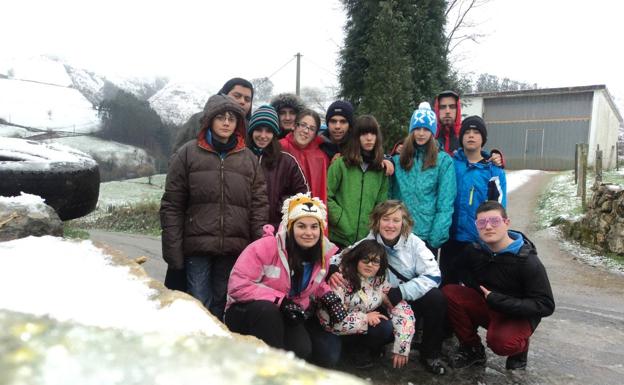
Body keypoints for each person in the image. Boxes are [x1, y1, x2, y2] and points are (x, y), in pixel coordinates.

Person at [160, 94, 268, 320]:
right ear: (209, 120)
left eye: (232, 118)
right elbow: (172, 205)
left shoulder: (247, 159)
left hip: (234, 247)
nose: (227, 122)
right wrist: (173, 252)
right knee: (198, 302)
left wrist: (257, 248)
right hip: (196, 247)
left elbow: (258, 206)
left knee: (222, 303)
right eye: (220, 117)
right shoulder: (188, 154)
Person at [224, 193, 347, 367]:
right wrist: (280, 301)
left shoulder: (321, 254)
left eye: (314, 227)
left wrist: (328, 296)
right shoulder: (264, 247)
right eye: (301, 226)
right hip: (247, 311)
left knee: (302, 350)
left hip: (289, 311)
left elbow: (313, 283)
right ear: (290, 226)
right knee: (268, 314)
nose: (308, 233)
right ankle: (270, 369)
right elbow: (238, 285)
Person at [330, 200, 448, 375]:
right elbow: (338, 259)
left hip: (405, 295)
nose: (390, 225)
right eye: (386, 219)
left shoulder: (414, 243)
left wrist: (402, 291)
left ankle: (430, 353)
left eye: (396, 220)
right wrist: (332, 270)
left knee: (436, 298)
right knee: (379, 324)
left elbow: (433, 275)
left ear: (404, 223)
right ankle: (366, 347)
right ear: (377, 221)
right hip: (379, 299)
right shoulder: (368, 242)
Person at [442, 201, 555, 370]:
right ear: (476, 226)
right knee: (449, 292)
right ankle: (472, 348)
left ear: (506, 223)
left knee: (501, 343)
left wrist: (499, 300)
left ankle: (520, 347)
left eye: (494, 221)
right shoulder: (474, 250)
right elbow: (454, 270)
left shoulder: (527, 261)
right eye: (482, 223)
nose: (488, 227)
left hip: (517, 315)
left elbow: (546, 305)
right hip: (489, 304)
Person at [318, 239, 415, 369]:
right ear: (356, 259)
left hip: (355, 329)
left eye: (375, 262)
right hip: (329, 329)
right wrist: (364, 318)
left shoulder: (379, 281)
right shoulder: (339, 279)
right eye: (365, 259)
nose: (370, 265)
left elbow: (403, 310)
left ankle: (358, 350)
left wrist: (402, 347)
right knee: (329, 358)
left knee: (386, 327)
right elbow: (329, 321)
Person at [440, 115, 507, 286]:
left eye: (476, 132)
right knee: (448, 288)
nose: (471, 135)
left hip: (478, 242)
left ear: (483, 138)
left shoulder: (493, 171)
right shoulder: (449, 163)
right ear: (461, 137)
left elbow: (499, 208)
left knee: (475, 290)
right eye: (467, 132)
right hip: (450, 239)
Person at [390, 102, 456, 254]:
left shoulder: (443, 161)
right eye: (417, 128)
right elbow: (390, 195)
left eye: (426, 129)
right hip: (400, 233)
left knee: (424, 277)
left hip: (427, 236)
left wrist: (436, 236)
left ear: (432, 132)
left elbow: (445, 201)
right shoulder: (398, 160)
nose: (421, 133)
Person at [327, 115, 388, 249]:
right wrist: (339, 218)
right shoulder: (341, 164)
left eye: (373, 133)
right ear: (356, 137)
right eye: (364, 134)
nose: (369, 138)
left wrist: (371, 225)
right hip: (339, 238)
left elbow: (381, 204)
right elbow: (326, 194)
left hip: (366, 239)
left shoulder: (381, 169)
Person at [246, 105, 309, 230]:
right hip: (241, 231)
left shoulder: (287, 162)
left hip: (275, 230)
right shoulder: (240, 157)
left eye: (269, 131)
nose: (263, 136)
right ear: (251, 131)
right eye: (258, 130)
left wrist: (281, 207)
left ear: (274, 134)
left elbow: (303, 196)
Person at [173, 78, 254, 152]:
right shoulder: (198, 120)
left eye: (247, 99)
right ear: (224, 94)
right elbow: (178, 156)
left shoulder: (251, 129)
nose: (242, 101)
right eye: (237, 96)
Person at [433, 90, 504, 166]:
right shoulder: (430, 137)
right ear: (437, 110)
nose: (447, 111)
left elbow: (479, 157)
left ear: (458, 110)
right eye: (443, 107)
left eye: (452, 107)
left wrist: (496, 158)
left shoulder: (465, 135)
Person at [279, 109, 329, 205]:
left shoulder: (321, 157)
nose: (306, 131)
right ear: (294, 126)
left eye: (312, 128)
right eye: (303, 125)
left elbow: (322, 193)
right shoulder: (280, 147)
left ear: (315, 134)